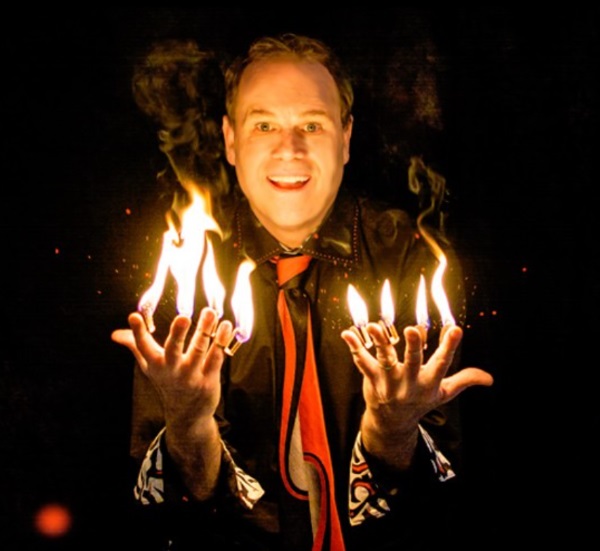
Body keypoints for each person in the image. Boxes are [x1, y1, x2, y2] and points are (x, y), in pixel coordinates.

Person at [112, 33, 493, 550]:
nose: (288, 148)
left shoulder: (410, 257)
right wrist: (187, 421)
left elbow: (438, 501)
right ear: (229, 139)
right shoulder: (184, 269)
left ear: (346, 138)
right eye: (263, 124)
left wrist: (393, 430)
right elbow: (180, 507)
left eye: (311, 124)